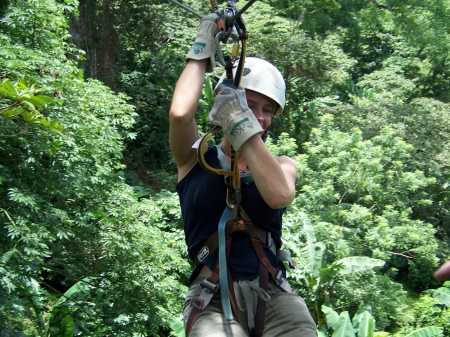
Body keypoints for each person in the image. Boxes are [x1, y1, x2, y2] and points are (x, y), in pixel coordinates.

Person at [169, 13, 318, 337]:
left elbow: (279, 195)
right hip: (210, 296)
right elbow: (180, 113)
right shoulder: (195, 158)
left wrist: (240, 121)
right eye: (251, 105)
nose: (261, 118)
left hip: (273, 293)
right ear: (225, 103)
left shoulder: (283, 164)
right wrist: (202, 47)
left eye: (268, 110)